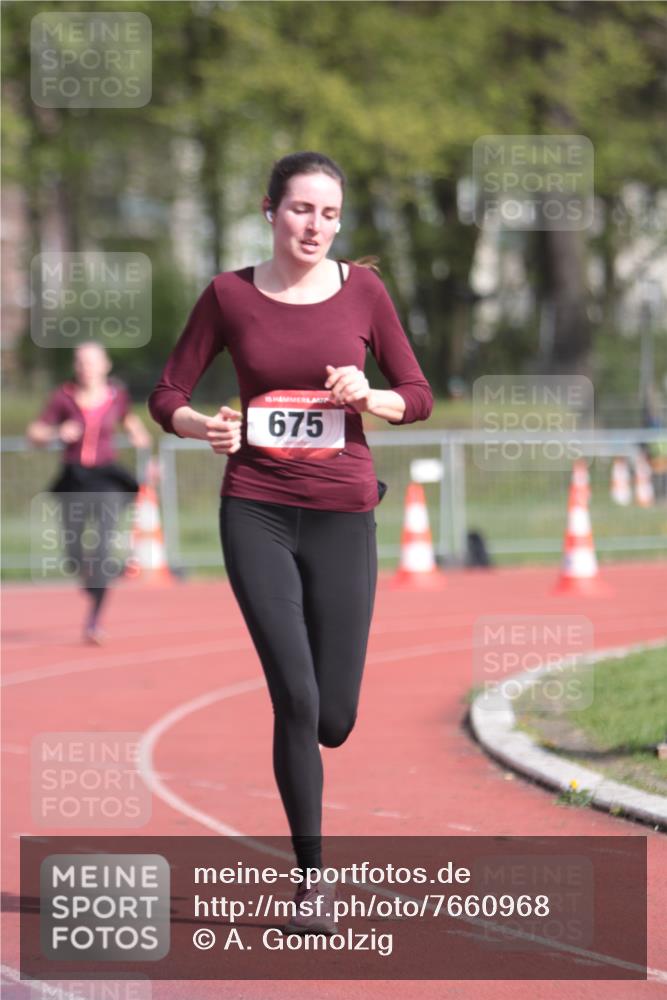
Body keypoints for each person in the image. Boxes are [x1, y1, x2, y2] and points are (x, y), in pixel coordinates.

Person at [148, 151, 433, 933]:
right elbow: (166, 391)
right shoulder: (229, 295)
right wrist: (202, 425)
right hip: (257, 509)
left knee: (333, 717)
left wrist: (366, 394)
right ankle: (312, 881)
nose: (314, 226)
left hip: (343, 511)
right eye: (301, 209)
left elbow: (418, 395)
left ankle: (311, 815)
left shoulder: (365, 292)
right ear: (269, 210)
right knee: (295, 696)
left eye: (329, 214)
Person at [26, 342, 152, 644]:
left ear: (105, 365)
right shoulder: (62, 398)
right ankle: (92, 576)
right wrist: (57, 433)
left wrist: (144, 447)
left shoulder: (116, 397)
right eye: (81, 362)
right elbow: (34, 433)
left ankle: (95, 620)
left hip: (106, 478)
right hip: (74, 478)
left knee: (103, 548)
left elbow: (134, 427)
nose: (87, 368)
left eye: (93, 362)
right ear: (76, 366)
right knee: (74, 553)